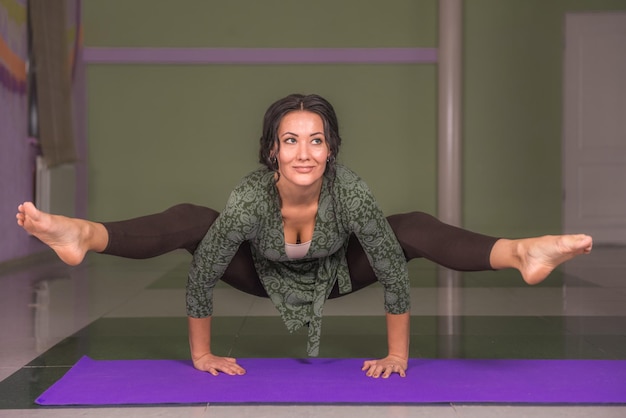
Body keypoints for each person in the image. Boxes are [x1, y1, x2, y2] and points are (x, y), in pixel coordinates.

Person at [16, 93, 593, 379]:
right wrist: (202, 353)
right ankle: (82, 234)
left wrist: (397, 354)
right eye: (290, 140)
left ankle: (521, 251)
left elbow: (392, 265)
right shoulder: (250, 195)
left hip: (337, 278)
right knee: (195, 218)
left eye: (316, 140)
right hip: (260, 278)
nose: (304, 152)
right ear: (272, 149)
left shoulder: (352, 192)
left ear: (331, 149)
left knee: (410, 226)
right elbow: (203, 270)